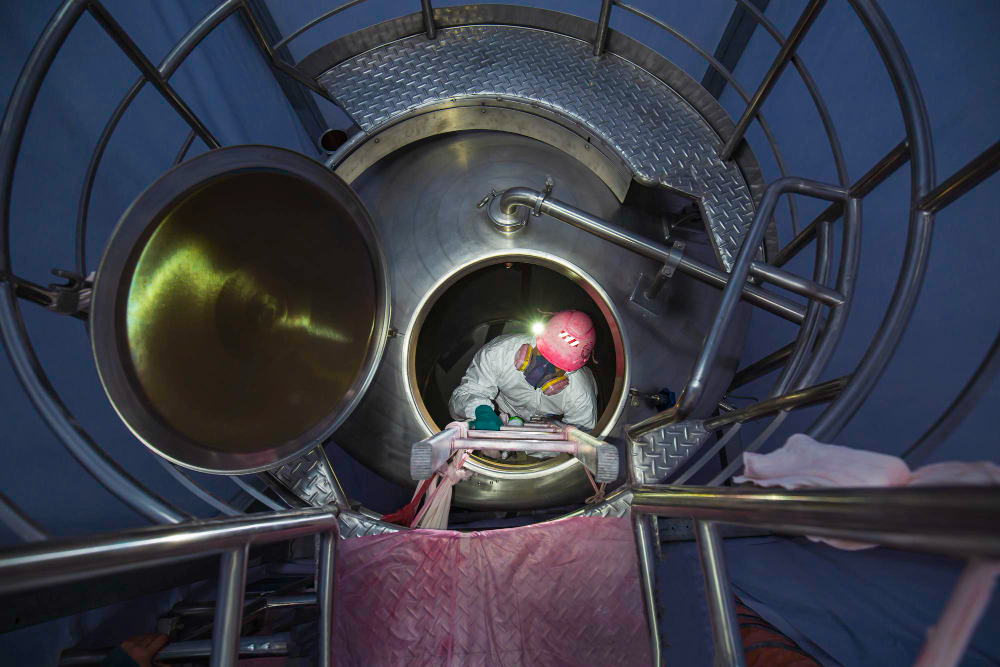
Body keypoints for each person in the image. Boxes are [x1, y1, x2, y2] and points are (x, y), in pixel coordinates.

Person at [448, 310, 598, 434]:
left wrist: (540, 448)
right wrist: (481, 411)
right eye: (542, 354)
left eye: (558, 366)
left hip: (539, 429)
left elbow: (582, 438)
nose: (544, 369)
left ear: (573, 367)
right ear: (538, 337)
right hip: (497, 411)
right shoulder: (500, 352)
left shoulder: (580, 392)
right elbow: (463, 395)